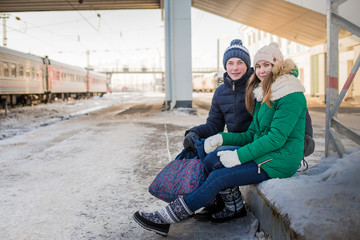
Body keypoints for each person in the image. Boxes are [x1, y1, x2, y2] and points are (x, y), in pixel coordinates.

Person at [133, 42, 308, 236]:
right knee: (212, 159)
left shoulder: (290, 94)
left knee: (219, 177)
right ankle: (230, 206)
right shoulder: (264, 92)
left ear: (278, 66)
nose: (261, 70)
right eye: (258, 66)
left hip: (278, 160)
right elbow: (252, 134)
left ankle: (168, 217)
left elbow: (276, 138)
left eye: (267, 65)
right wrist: (219, 138)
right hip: (265, 152)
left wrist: (238, 156)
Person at [183, 39, 314, 221]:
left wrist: (307, 134)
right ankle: (220, 202)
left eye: (240, 63)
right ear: (225, 66)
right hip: (248, 141)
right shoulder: (228, 91)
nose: (235, 68)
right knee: (206, 156)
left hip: (265, 148)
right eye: (230, 63)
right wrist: (199, 133)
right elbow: (215, 124)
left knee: (219, 169)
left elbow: (294, 113)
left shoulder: (261, 86)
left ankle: (190, 207)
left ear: (248, 66)